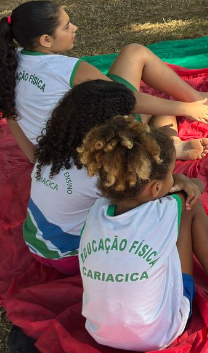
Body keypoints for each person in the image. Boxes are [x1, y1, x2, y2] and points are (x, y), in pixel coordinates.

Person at [78, 117, 208, 351]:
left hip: (99, 332)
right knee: (190, 203)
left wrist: (172, 180)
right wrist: (183, 181)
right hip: (160, 333)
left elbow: (149, 196)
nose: (175, 178)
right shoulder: (170, 208)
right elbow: (196, 188)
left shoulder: (96, 211)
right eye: (172, 174)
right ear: (155, 188)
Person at [0, 0, 208, 163]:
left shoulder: (9, 64)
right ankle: (178, 135)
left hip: (59, 153)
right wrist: (186, 108)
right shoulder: (69, 68)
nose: (74, 28)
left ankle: (176, 132)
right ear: (46, 40)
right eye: (67, 26)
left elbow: (11, 115)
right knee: (155, 94)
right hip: (99, 147)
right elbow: (129, 100)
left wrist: (36, 157)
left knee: (138, 68)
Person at [25, 80, 180, 274]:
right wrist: (181, 178)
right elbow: (151, 192)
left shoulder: (56, 147)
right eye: (127, 117)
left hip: (35, 239)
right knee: (182, 203)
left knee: (158, 115)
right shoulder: (105, 171)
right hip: (71, 256)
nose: (131, 118)